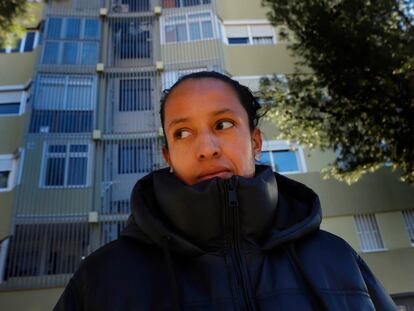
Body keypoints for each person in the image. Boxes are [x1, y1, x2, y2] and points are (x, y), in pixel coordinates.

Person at [54, 71, 397, 310]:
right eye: (183, 133)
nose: (206, 148)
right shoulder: (102, 278)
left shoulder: (336, 258)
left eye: (223, 124)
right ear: (167, 156)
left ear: (256, 141)